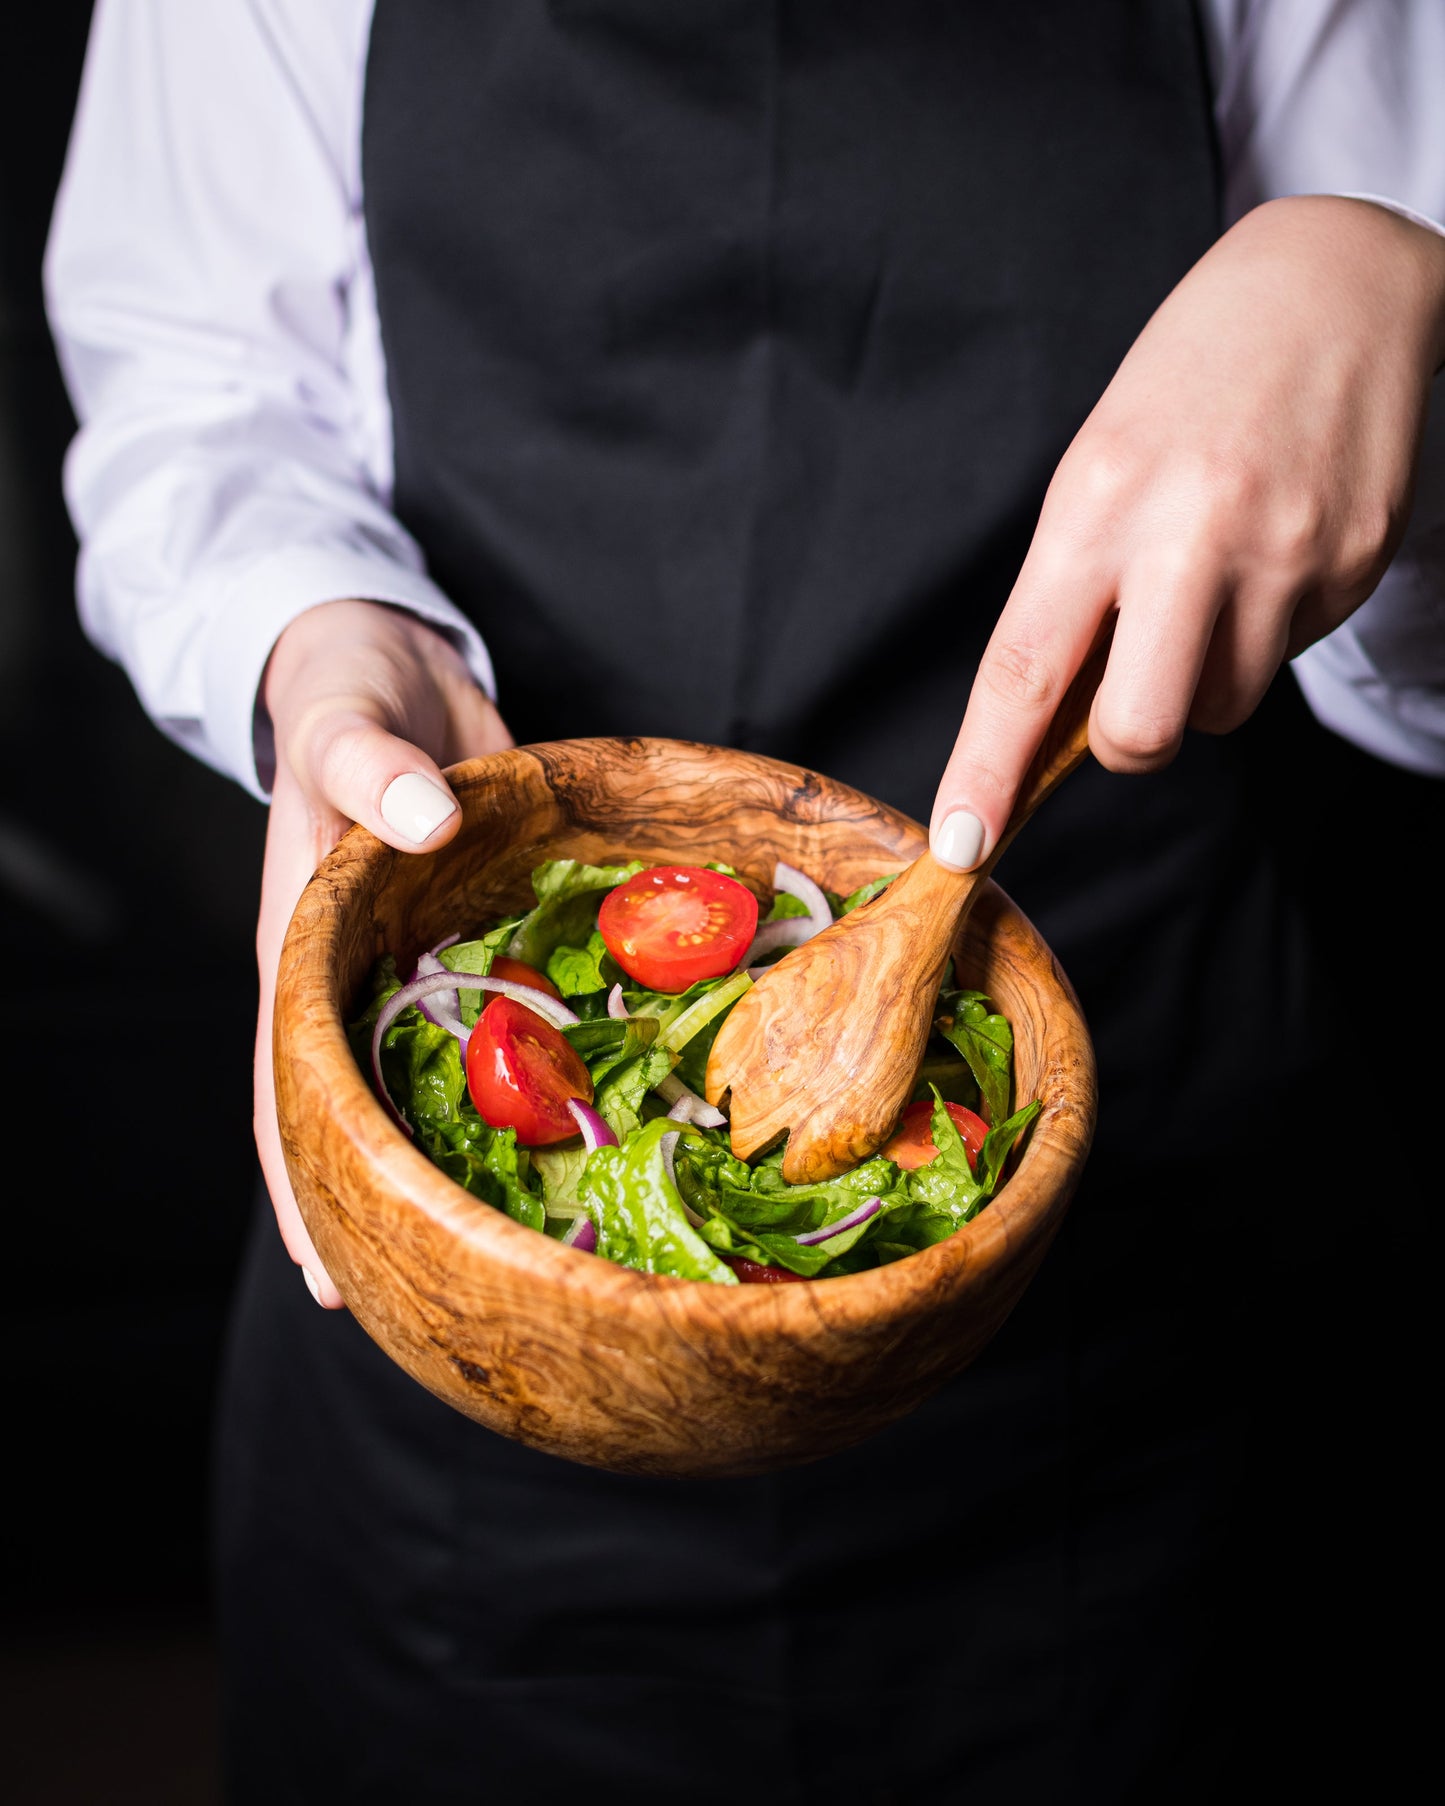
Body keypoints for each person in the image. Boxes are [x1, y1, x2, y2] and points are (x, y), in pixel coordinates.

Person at [46, 2, 1445, 1799]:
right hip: (469, 1408)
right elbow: (193, 375)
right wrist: (321, 637)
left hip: (1141, 1351)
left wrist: (1401, 314)